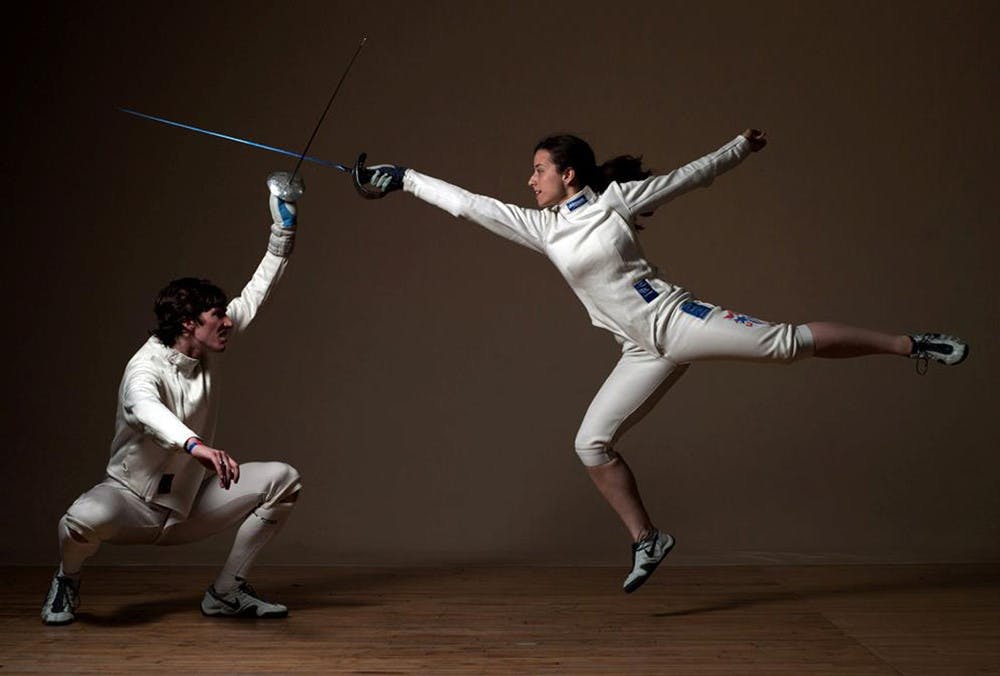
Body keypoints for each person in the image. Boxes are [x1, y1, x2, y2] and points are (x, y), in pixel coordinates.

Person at [354, 129, 968, 593]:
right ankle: (648, 540)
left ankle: (912, 344)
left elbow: (690, 176)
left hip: (682, 322)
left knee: (785, 342)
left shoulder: (615, 202)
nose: (530, 180)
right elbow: (469, 205)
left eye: (539, 170)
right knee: (590, 444)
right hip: (639, 350)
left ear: (569, 174)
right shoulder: (542, 228)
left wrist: (739, 147)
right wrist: (404, 177)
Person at [41, 186, 304, 625]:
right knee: (81, 519)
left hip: (189, 505)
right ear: (188, 323)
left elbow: (258, 290)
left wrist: (284, 228)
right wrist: (197, 447)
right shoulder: (143, 367)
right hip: (132, 503)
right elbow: (146, 410)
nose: (227, 321)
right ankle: (67, 580)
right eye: (217, 315)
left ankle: (225, 592)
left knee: (284, 480)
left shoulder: (209, 344)